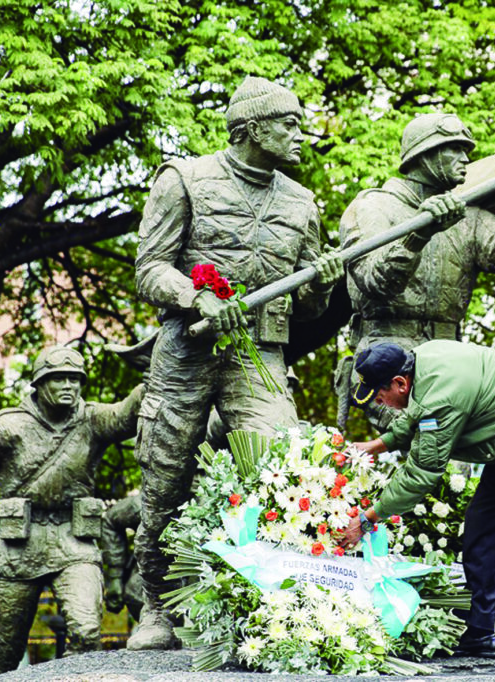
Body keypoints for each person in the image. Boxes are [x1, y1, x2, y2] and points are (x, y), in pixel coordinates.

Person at [130, 75, 344, 650]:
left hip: (261, 352)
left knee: (281, 466)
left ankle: (275, 599)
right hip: (187, 349)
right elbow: (149, 267)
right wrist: (194, 295)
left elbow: (309, 304)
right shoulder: (185, 180)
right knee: (166, 476)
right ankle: (156, 605)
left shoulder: (301, 203)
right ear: (251, 128)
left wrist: (324, 287)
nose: (301, 134)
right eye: (289, 123)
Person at [340, 340, 495, 674]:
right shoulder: (421, 366)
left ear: (400, 383)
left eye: (380, 397)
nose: (382, 404)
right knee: (482, 523)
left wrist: (367, 519)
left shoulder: (441, 395)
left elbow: (422, 473)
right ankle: (480, 633)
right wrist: (374, 447)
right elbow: (415, 419)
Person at [334, 112, 495, 430]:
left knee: (463, 460)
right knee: (427, 439)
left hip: (449, 359)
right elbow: (376, 282)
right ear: (425, 153)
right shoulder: (373, 207)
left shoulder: (470, 217)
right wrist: (417, 235)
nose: (465, 159)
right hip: (386, 357)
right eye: (455, 149)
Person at [0, 346, 144, 675]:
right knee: (0, 659)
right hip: (17, 548)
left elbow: (126, 416)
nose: (69, 386)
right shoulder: (7, 427)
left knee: (86, 633)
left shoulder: (92, 420)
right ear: (39, 384)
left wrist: (151, 383)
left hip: (73, 542)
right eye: (59, 379)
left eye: (75, 379)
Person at [100, 494, 144, 622]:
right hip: (147, 592)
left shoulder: (205, 501)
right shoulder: (148, 504)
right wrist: (115, 577)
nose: (197, 479)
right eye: (194, 474)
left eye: (202, 473)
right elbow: (111, 520)